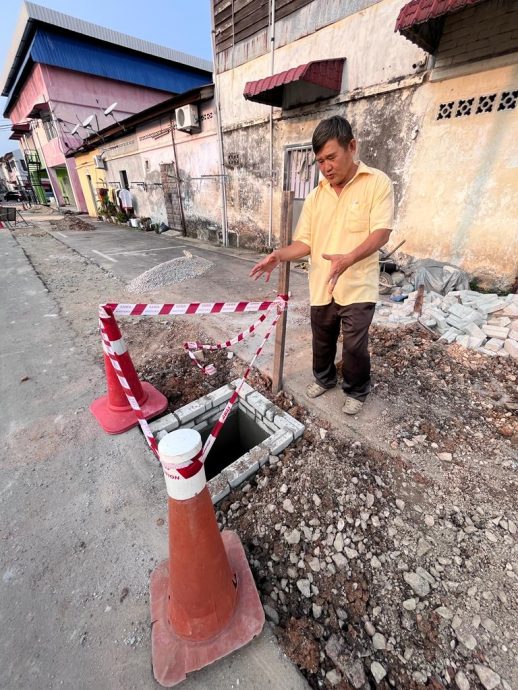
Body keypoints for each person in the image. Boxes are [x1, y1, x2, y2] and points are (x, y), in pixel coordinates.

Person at [250, 116, 394, 415]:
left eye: (331, 157)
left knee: (354, 346)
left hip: (358, 285)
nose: (326, 167)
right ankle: (325, 379)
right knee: (322, 340)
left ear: (351, 146)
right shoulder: (316, 196)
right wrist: (278, 255)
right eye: (320, 161)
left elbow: (382, 232)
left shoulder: (376, 183)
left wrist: (348, 258)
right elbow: (305, 243)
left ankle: (356, 389)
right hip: (321, 285)